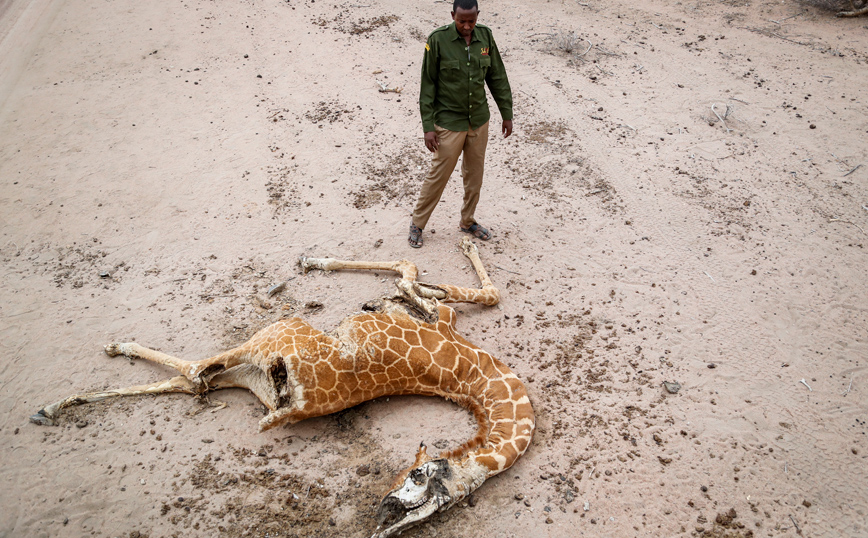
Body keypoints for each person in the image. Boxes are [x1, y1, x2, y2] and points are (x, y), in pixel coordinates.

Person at [408, 0, 513, 248]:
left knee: (474, 175)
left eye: (472, 20)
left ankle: (468, 222)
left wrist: (506, 113)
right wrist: (428, 127)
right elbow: (428, 85)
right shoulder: (437, 40)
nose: (467, 26)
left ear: (477, 16)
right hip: (449, 122)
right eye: (461, 20)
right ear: (452, 15)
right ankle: (417, 223)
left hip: (478, 121)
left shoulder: (485, 36)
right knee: (438, 175)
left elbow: (497, 76)